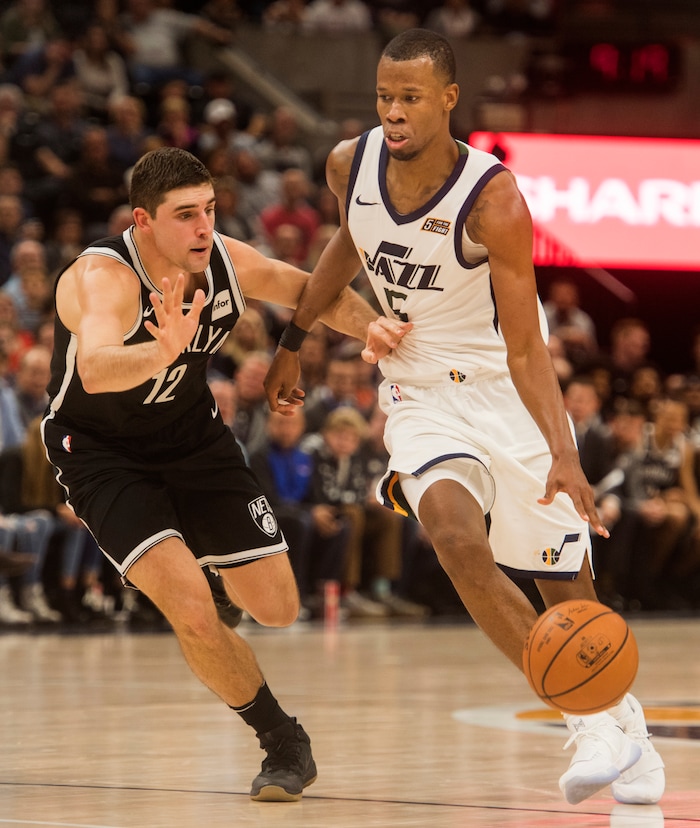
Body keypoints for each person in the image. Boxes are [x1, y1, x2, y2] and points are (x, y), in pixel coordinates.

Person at [264, 29, 664, 806]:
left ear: (449, 99)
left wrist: (563, 450)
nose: (393, 112)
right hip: (420, 391)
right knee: (453, 538)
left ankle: (626, 724)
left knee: (566, 590)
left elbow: (525, 345)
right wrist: (293, 339)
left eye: (410, 98)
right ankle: (586, 718)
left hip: (505, 389)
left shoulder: (494, 200)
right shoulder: (349, 164)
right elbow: (350, 243)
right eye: (384, 96)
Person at [40, 145, 400, 801]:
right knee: (192, 613)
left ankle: (213, 578)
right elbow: (94, 368)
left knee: (278, 609)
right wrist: (163, 349)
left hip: (194, 440)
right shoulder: (103, 278)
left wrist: (377, 328)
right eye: (185, 215)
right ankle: (282, 740)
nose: (204, 227)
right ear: (143, 221)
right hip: (102, 452)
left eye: (208, 209)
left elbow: (312, 291)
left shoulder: (225, 261)